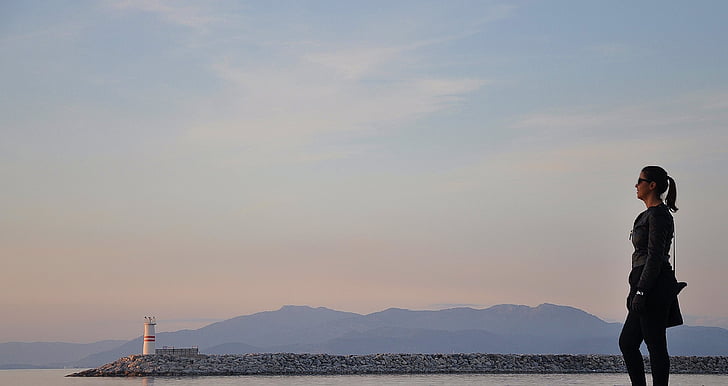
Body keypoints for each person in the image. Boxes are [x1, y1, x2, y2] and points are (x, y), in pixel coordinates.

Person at [619, 166, 681, 386]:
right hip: (642, 282)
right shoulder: (645, 215)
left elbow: (655, 257)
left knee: (655, 344)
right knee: (627, 343)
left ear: (652, 185)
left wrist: (642, 291)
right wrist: (635, 289)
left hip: (654, 285)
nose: (636, 185)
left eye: (640, 180)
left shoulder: (660, 216)